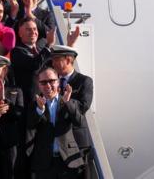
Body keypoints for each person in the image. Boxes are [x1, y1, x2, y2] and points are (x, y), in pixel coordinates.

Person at [26, 67, 85, 179]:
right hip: (44, 164)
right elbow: (30, 125)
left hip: (68, 161)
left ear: (58, 82)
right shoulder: (34, 105)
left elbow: (79, 122)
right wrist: (40, 110)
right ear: (39, 85)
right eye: (43, 82)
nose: (48, 86)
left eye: (51, 81)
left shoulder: (69, 101)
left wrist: (67, 103)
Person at [51, 45, 94, 179]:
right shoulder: (51, 82)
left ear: (69, 60)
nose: (53, 63)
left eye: (57, 59)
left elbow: (82, 108)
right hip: (56, 144)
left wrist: (67, 101)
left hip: (76, 144)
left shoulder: (84, 81)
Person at [11, 17, 55, 108]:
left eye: (35, 29)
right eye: (28, 29)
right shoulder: (17, 51)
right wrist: (48, 46)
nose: (33, 32)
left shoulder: (42, 52)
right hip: (29, 104)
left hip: (47, 102)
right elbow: (34, 65)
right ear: (20, 33)